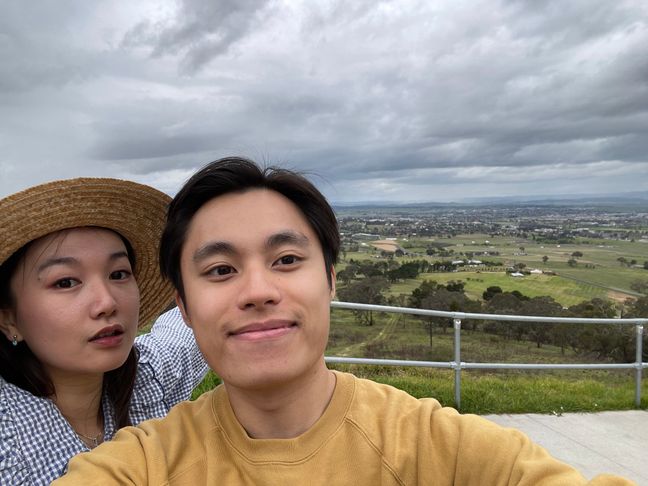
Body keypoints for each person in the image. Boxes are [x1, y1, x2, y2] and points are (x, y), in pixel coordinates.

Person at [54, 158, 633, 485]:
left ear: (331, 279)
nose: (258, 291)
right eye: (222, 269)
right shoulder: (143, 466)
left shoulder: (439, 448)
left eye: (286, 260)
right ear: (183, 305)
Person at [0, 177, 208, 484]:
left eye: (119, 274)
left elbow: (194, 326)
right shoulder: (8, 440)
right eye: (66, 282)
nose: (107, 302)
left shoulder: (148, 379)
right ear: (8, 319)